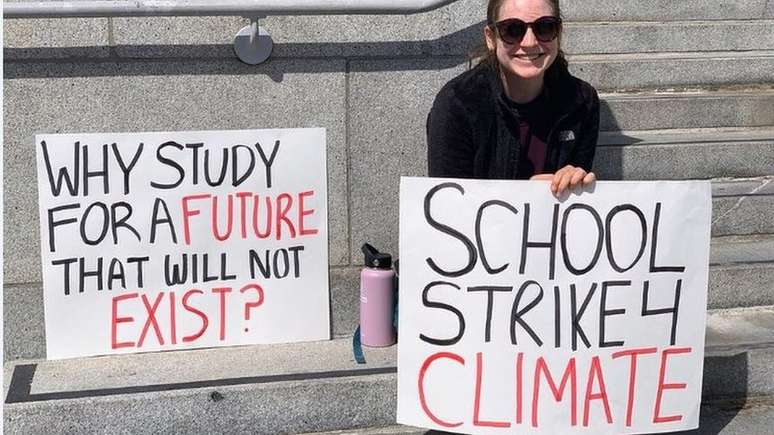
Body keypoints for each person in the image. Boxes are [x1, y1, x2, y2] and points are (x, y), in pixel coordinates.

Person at [426, 0, 599, 196]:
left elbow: (577, 204)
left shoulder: (582, 102)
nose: (530, 42)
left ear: (558, 33)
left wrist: (574, 180)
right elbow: (448, 202)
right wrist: (525, 194)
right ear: (491, 38)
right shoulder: (458, 104)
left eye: (545, 27)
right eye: (513, 30)